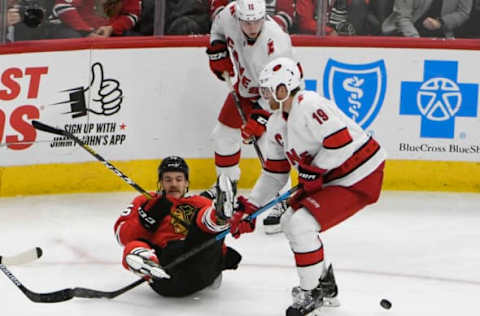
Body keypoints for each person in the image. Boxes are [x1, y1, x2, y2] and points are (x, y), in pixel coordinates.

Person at [228, 57, 386, 316]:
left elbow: (341, 142)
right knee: (290, 220)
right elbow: (275, 173)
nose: (264, 95)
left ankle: (312, 294)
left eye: (268, 90)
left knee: (301, 224)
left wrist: (314, 171)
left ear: (283, 88)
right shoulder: (278, 122)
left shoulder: (309, 104)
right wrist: (250, 208)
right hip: (333, 176)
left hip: (359, 174)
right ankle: (325, 287)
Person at [204, 0, 295, 234]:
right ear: (238, 18)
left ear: (264, 16)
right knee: (223, 136)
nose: (252, 27)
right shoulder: (229, 14)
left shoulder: (276, 43)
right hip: (245, 89)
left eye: (257, 22)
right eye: (247, 22)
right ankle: (227, 189)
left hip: (276, 96)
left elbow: (281, 88)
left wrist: (261, 118)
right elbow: (217, 30)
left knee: (268, 146)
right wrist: (217, 50)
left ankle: (283, 201)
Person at [114, 156, 241, 297]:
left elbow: (217, 240)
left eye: (179, 179)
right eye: (168, 179)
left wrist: (223, 258)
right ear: (160, 182)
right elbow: (121, 236)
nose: (173, 184)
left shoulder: (200, 202)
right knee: (134, 245)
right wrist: (145, 222)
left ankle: (218, 217)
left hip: (199, 262)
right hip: (167, 271)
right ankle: (148, 264)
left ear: (186, 182)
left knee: (203, 220)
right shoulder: (146, 200)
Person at [48, 0, 141, 38]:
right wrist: (86, 32)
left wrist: (112, 28)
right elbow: (62, 6)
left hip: (105, 31)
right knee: (72, 38)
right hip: (69, 27)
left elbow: (131, 15)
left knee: (135, 40)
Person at [382, 0, 472, 38]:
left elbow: (463, 12)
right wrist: (417, 41)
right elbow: (402, 17)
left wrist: (441, 22)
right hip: (406, 34)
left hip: (443, 36)